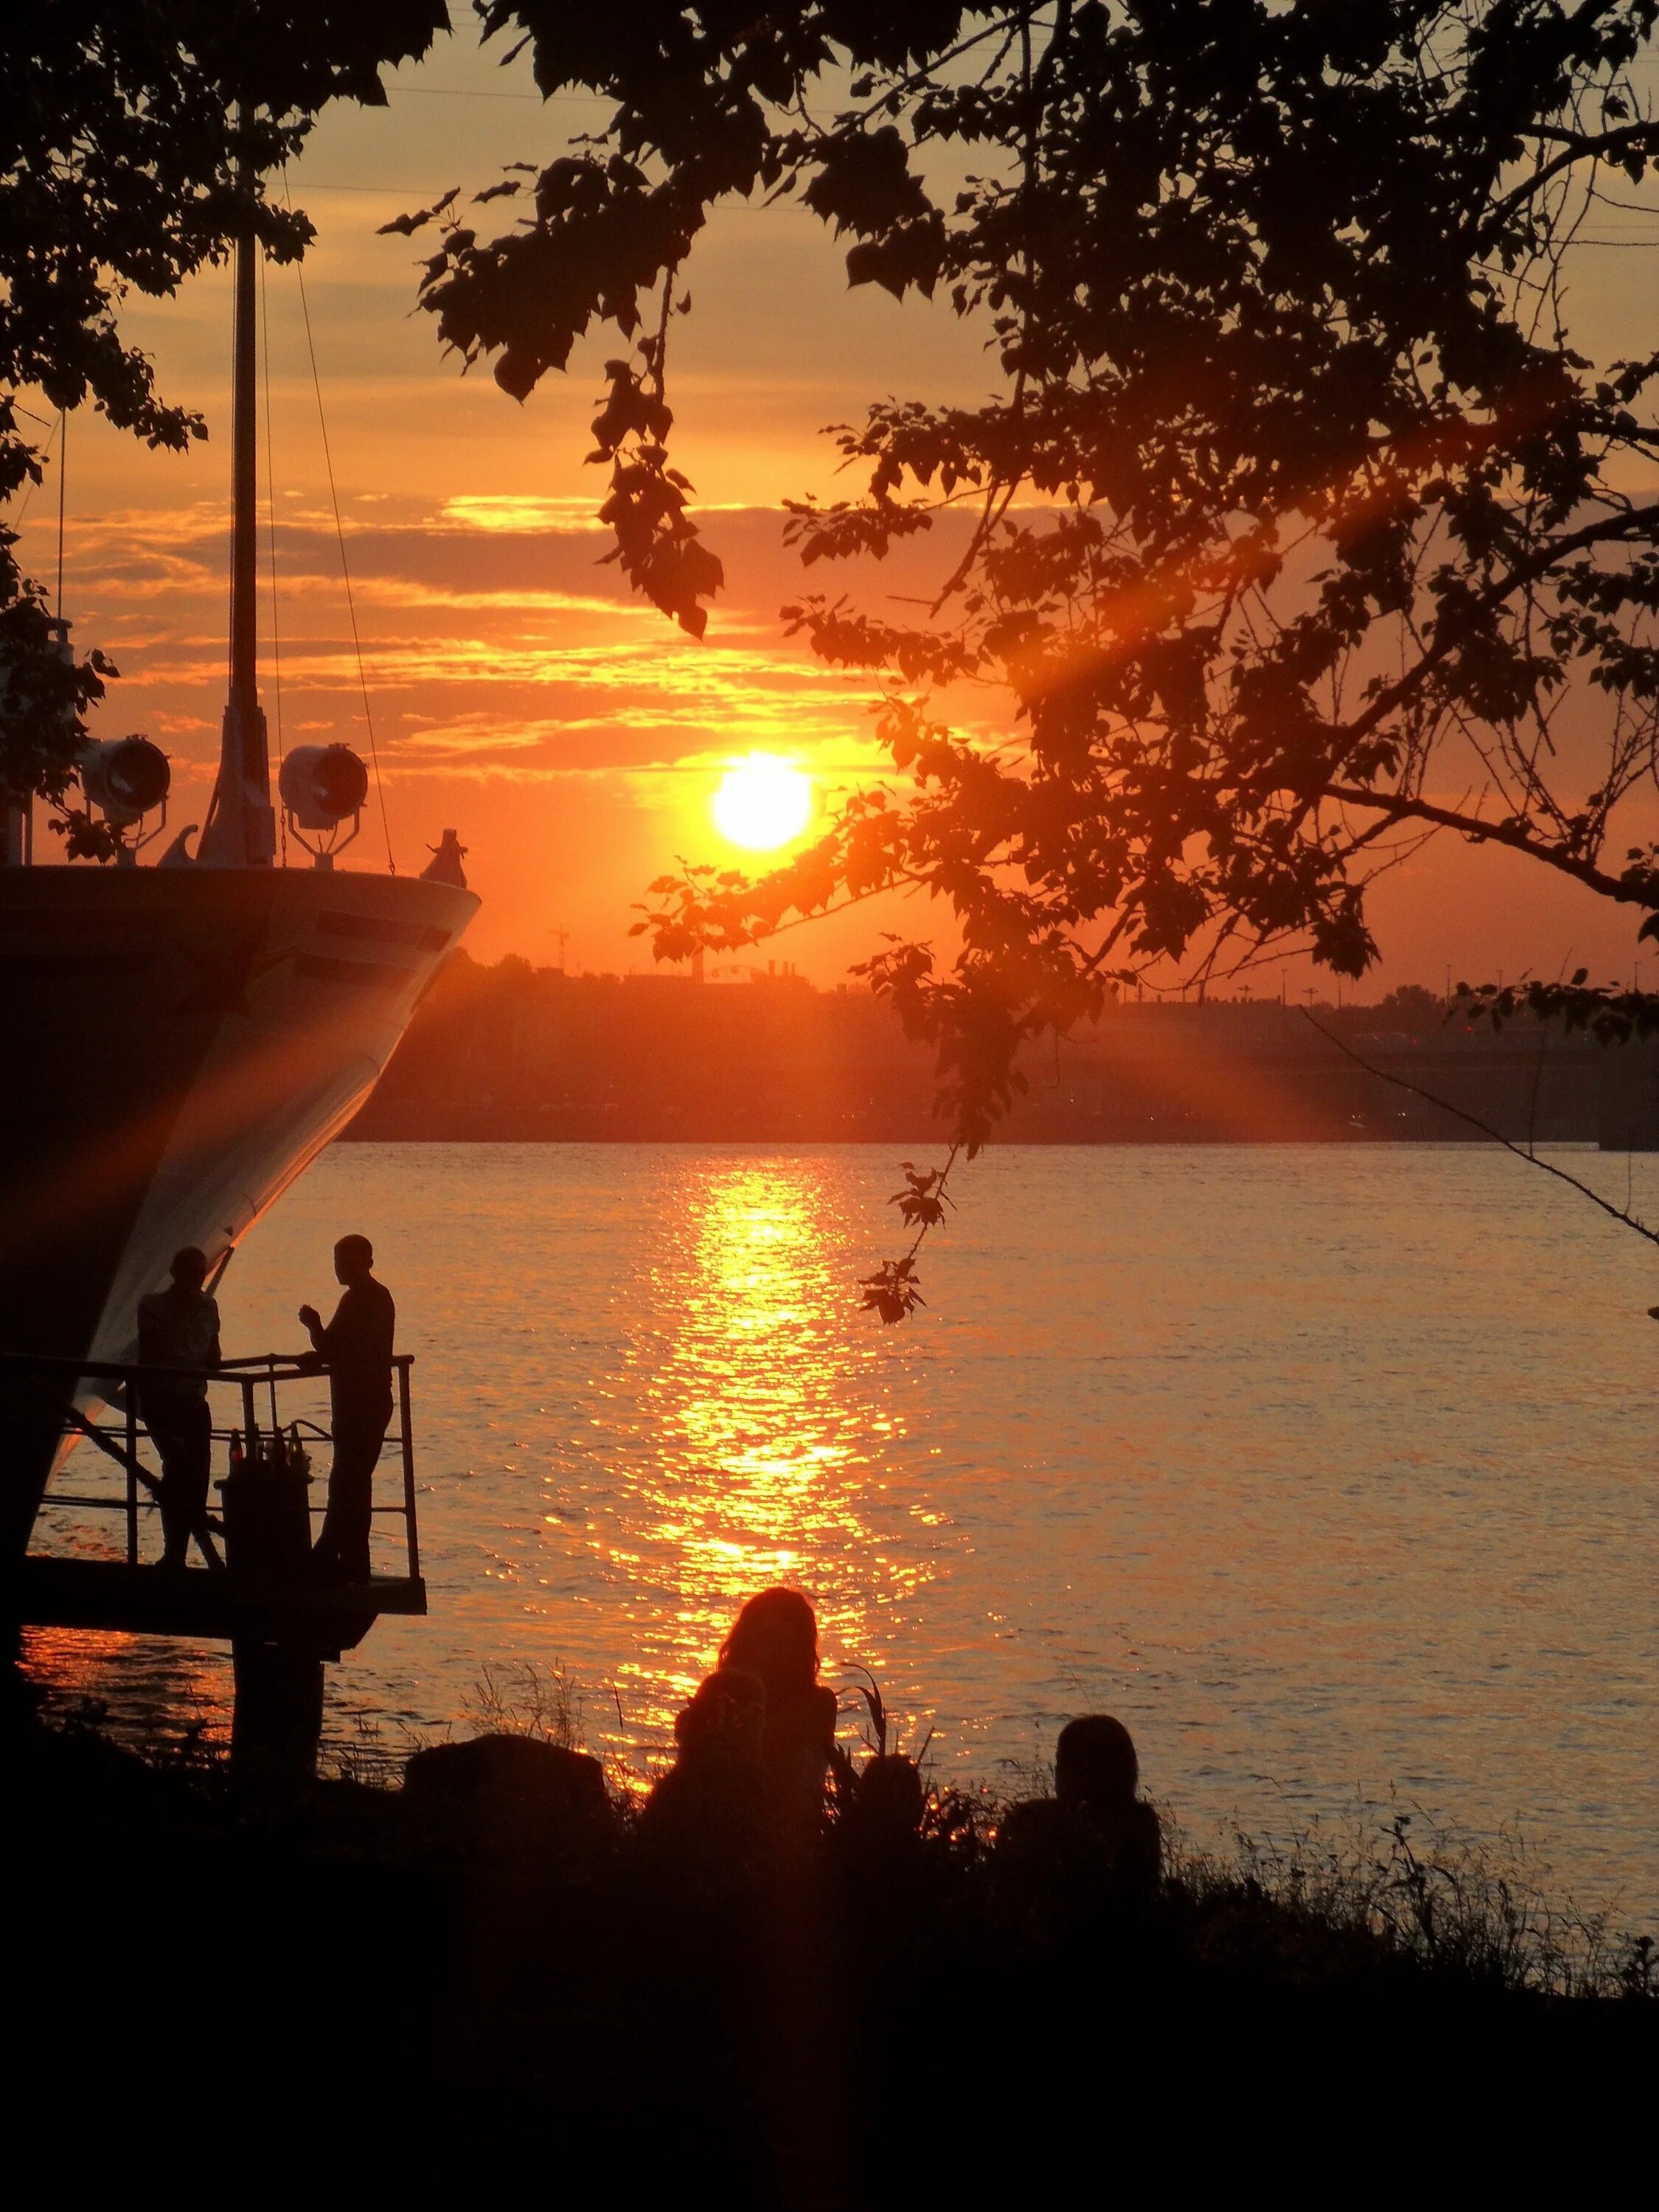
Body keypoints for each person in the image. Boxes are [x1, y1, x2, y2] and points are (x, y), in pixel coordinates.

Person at [299, 1234, 394, 1583]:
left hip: (359, 1403)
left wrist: (312, 1325)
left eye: (345, 1262)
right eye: (338, 1261)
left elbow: (330, 1346)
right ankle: (351, 1558)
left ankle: (329, 1555)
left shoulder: (361, 1300)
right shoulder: (375, 1298)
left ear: (365, 1263)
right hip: (369, 1400)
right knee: (354, 1482)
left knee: (346, 1481)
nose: (339, 1268)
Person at [718, 1587, 839, 1837]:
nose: (772, 1651)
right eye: (765, 1638)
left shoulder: (819, 1704)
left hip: (799, 1841)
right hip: (735, 1835)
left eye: (782, 1640)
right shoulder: (728, 1701)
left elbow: (767, 1743)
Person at [136, 1246, 224, 1571]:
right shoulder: (152, 1307)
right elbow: (148, 1359)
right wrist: (150, 1408)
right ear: (176, 1273)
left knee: (196, 1480)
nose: (196, 1280)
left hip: (194, 1403)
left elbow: (213, 1351)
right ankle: (177, 1554)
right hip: (164, 1402)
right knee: (180, 1470)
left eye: (200, 1274)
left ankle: (178, 1555)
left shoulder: (208, 1307)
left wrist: (212, 1361)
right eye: (191, 1273)